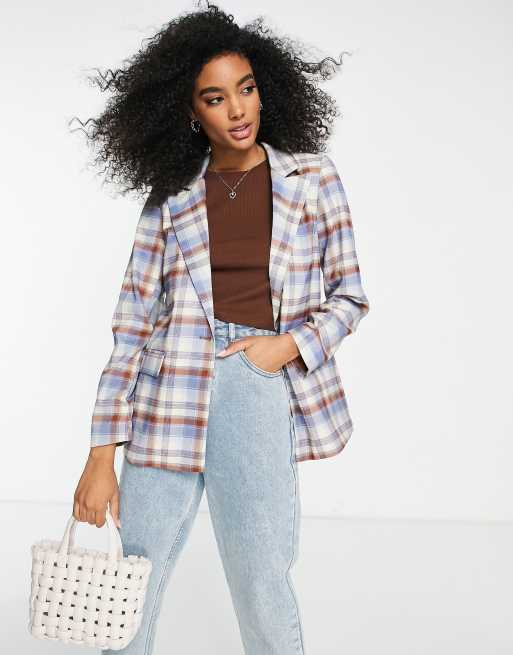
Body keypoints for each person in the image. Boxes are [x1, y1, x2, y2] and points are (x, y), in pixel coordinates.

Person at [71, 3, 370, 653]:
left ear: (265, 89)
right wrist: (100, 453)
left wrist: (286, 346)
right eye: (214, 97)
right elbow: (132, 322)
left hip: (255, 382)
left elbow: (349, 295)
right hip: (168, 389)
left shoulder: (312, 179)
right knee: (133, 576)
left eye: (247, 88)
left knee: (261, 577)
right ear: (189, 111)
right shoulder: (169, 196)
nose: (237, 109)